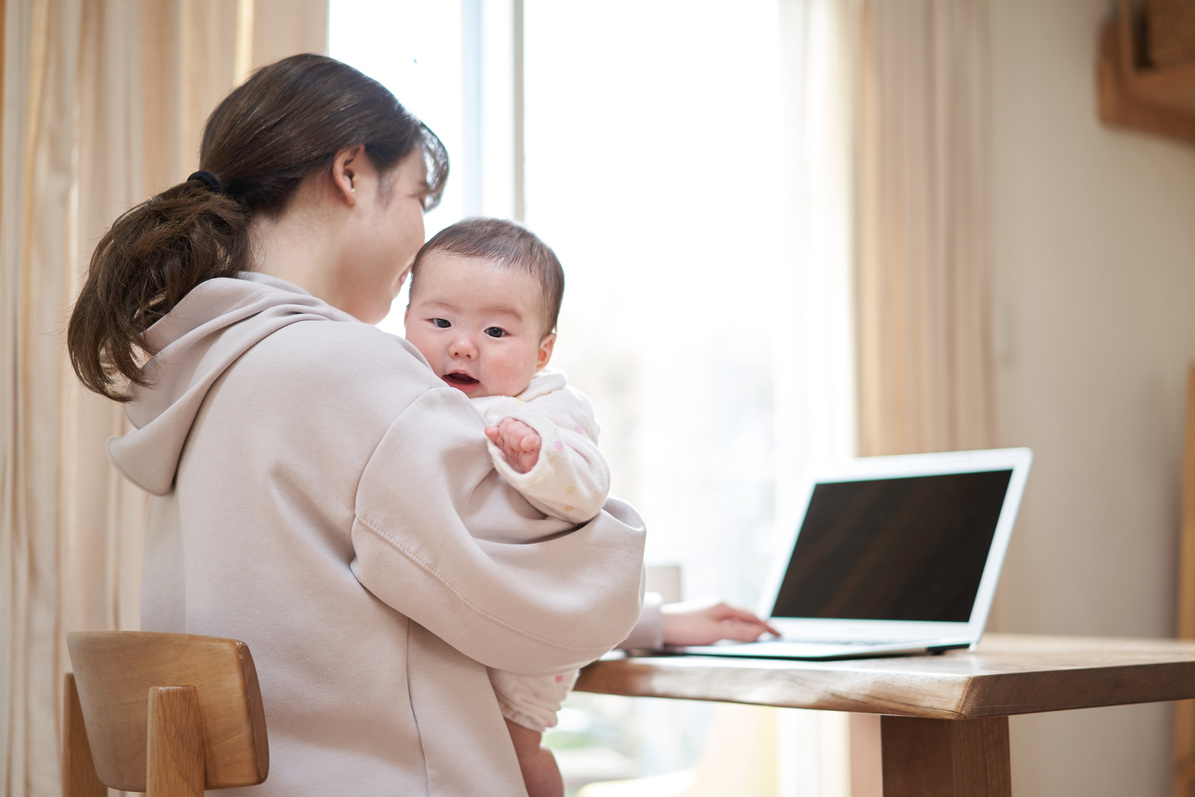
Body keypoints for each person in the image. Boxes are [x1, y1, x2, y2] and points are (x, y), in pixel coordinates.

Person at [65, 54, 647, 797]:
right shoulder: (341, 368)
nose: (420, 235)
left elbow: (387, 575)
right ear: (350, 173)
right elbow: (547, 601)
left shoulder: (196, 368)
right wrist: (618, 549)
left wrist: (660, 620)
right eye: (414, 196)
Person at [404, 218, 778, 797]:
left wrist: (536, 457)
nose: (462, 344)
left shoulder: (548, 409)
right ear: (406, 320)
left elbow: (587, 487)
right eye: (440, 321)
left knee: (517, 750)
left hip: (536, 636)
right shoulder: (409, 394)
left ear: (543, 350)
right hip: (466, 623)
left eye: (497, 331)